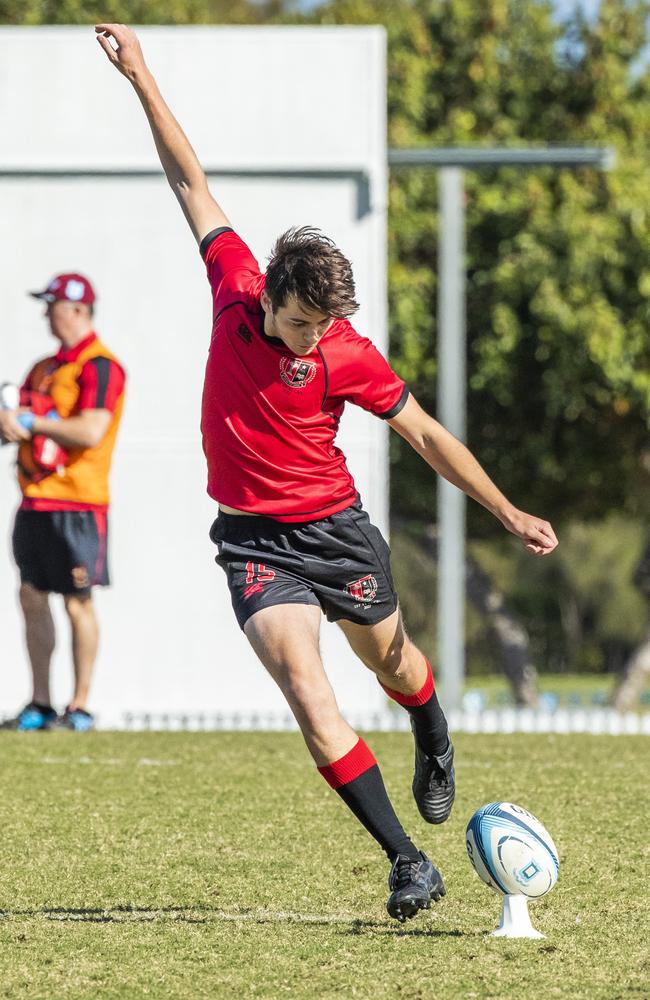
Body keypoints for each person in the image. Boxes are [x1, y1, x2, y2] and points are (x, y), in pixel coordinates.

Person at [96, 23, 558, 921]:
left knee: (395, 662)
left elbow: (423, 434)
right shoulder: (233, 285)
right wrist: (142, 74)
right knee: (306, 687)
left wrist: (505, 509)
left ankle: (431, 727)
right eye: (303, 322)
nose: (314, 339)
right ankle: (406, 861)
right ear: (267, 295)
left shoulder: (346, 351)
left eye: (323, 325)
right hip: (254, 540)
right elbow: (190, 179)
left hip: (335, 529)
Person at [0, 272, 126, 732]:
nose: (45, 313)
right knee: (31, 595)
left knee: (77, 601)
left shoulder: (99, 366)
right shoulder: (44, 368)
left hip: (79, 504)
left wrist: (29, 421)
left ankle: (80, 706)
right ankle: (40, 702)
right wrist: (9, 423)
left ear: (76, 309)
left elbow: (90, 430)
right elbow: (24, 421)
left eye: (52, 304)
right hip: (35, 500)